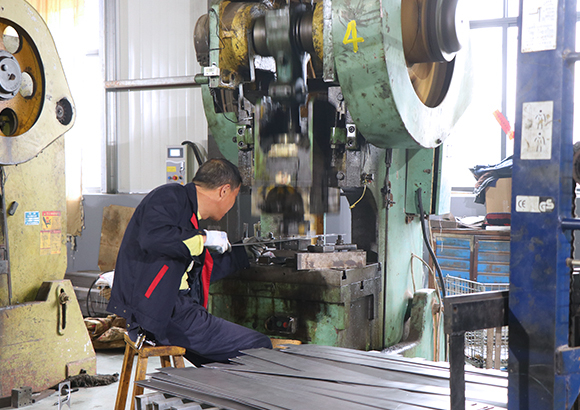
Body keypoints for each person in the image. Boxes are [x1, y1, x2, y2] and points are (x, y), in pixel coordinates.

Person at [108, 158, 272, 366]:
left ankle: (215, 398)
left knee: (218, 361)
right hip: (167, 313)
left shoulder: (186, 217)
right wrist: (205, 238)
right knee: (260, 346)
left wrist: (243, 253)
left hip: (170, 311)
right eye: (235, 196)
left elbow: (197, 273)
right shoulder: (169, 197)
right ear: (224, 191)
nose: (232, 204)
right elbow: (154, 239)